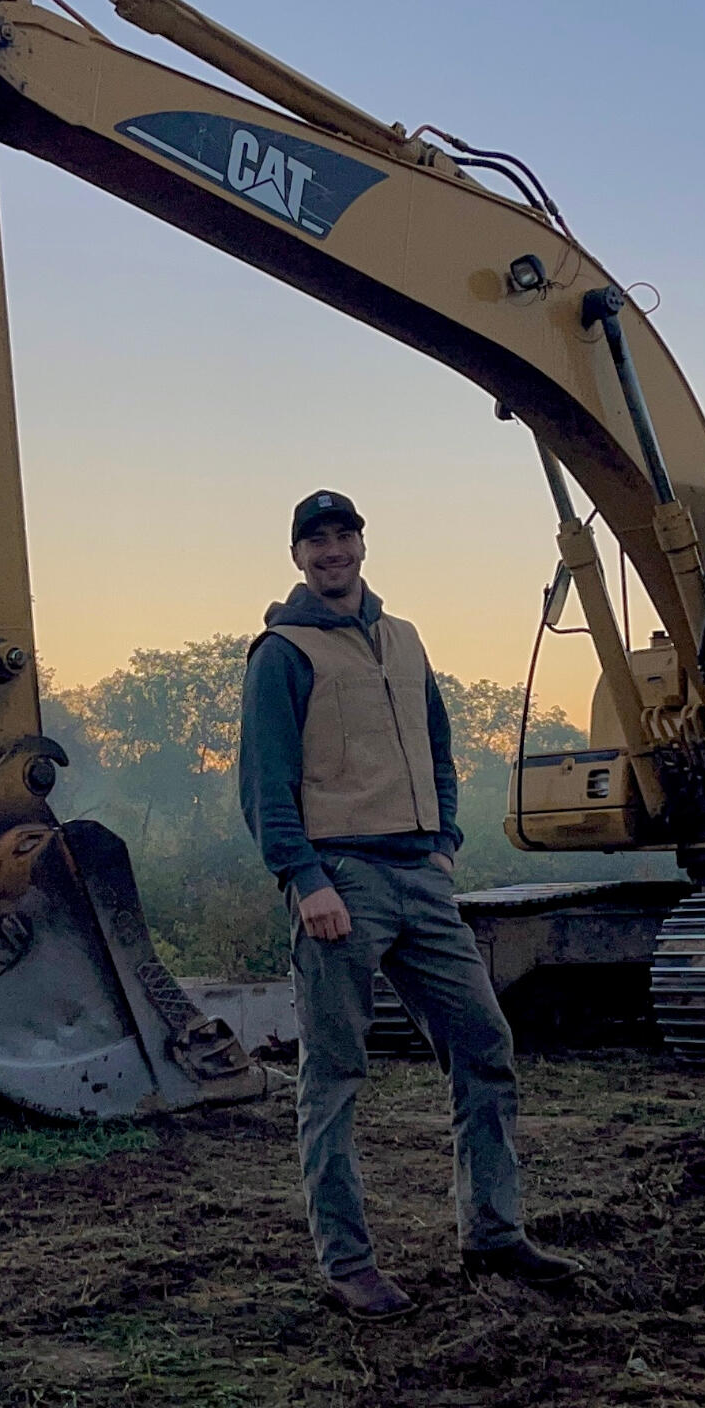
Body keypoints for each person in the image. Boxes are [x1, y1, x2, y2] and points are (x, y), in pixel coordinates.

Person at [238, 488, 583, 1320]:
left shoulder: (405, 639)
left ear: (362, 543)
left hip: (421, 878)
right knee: (334, 1074)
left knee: (484, 1045)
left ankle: (493, 1235)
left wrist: (444, 839)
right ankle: (348, 1262)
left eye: (343, 535)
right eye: (315, 541)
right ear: (297, 557)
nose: (332, 551)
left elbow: (439, 746)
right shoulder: (282, 653)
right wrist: (304, 878)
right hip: (341, 882)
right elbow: (264, 783)